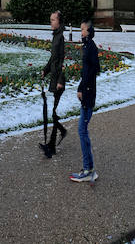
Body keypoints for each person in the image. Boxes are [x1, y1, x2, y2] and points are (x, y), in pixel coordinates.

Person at [70, 21, 100, 183]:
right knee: (83, 130)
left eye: (82, 29)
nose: (80, 31)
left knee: (82, 131)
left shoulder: (90, 48)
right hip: (88, 91)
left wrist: (82, 89)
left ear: (89, 32)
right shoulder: (88, 46)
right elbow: (88, 70)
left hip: (88, 94)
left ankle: (88, 169)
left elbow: (92, 71)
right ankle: (89, 168)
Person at [38, 10, 68, 158]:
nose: (51, 22)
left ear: (59, 22)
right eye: (50, 20)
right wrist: (45, 70)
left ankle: (52, 146)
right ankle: (61, 132)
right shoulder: (56, 36)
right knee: (54, 112)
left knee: (54, 112)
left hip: (58, 81)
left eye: (53, 20)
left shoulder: (60, 38)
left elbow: (62, 61)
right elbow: (53, 59)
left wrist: (60, 81)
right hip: (55, 77)